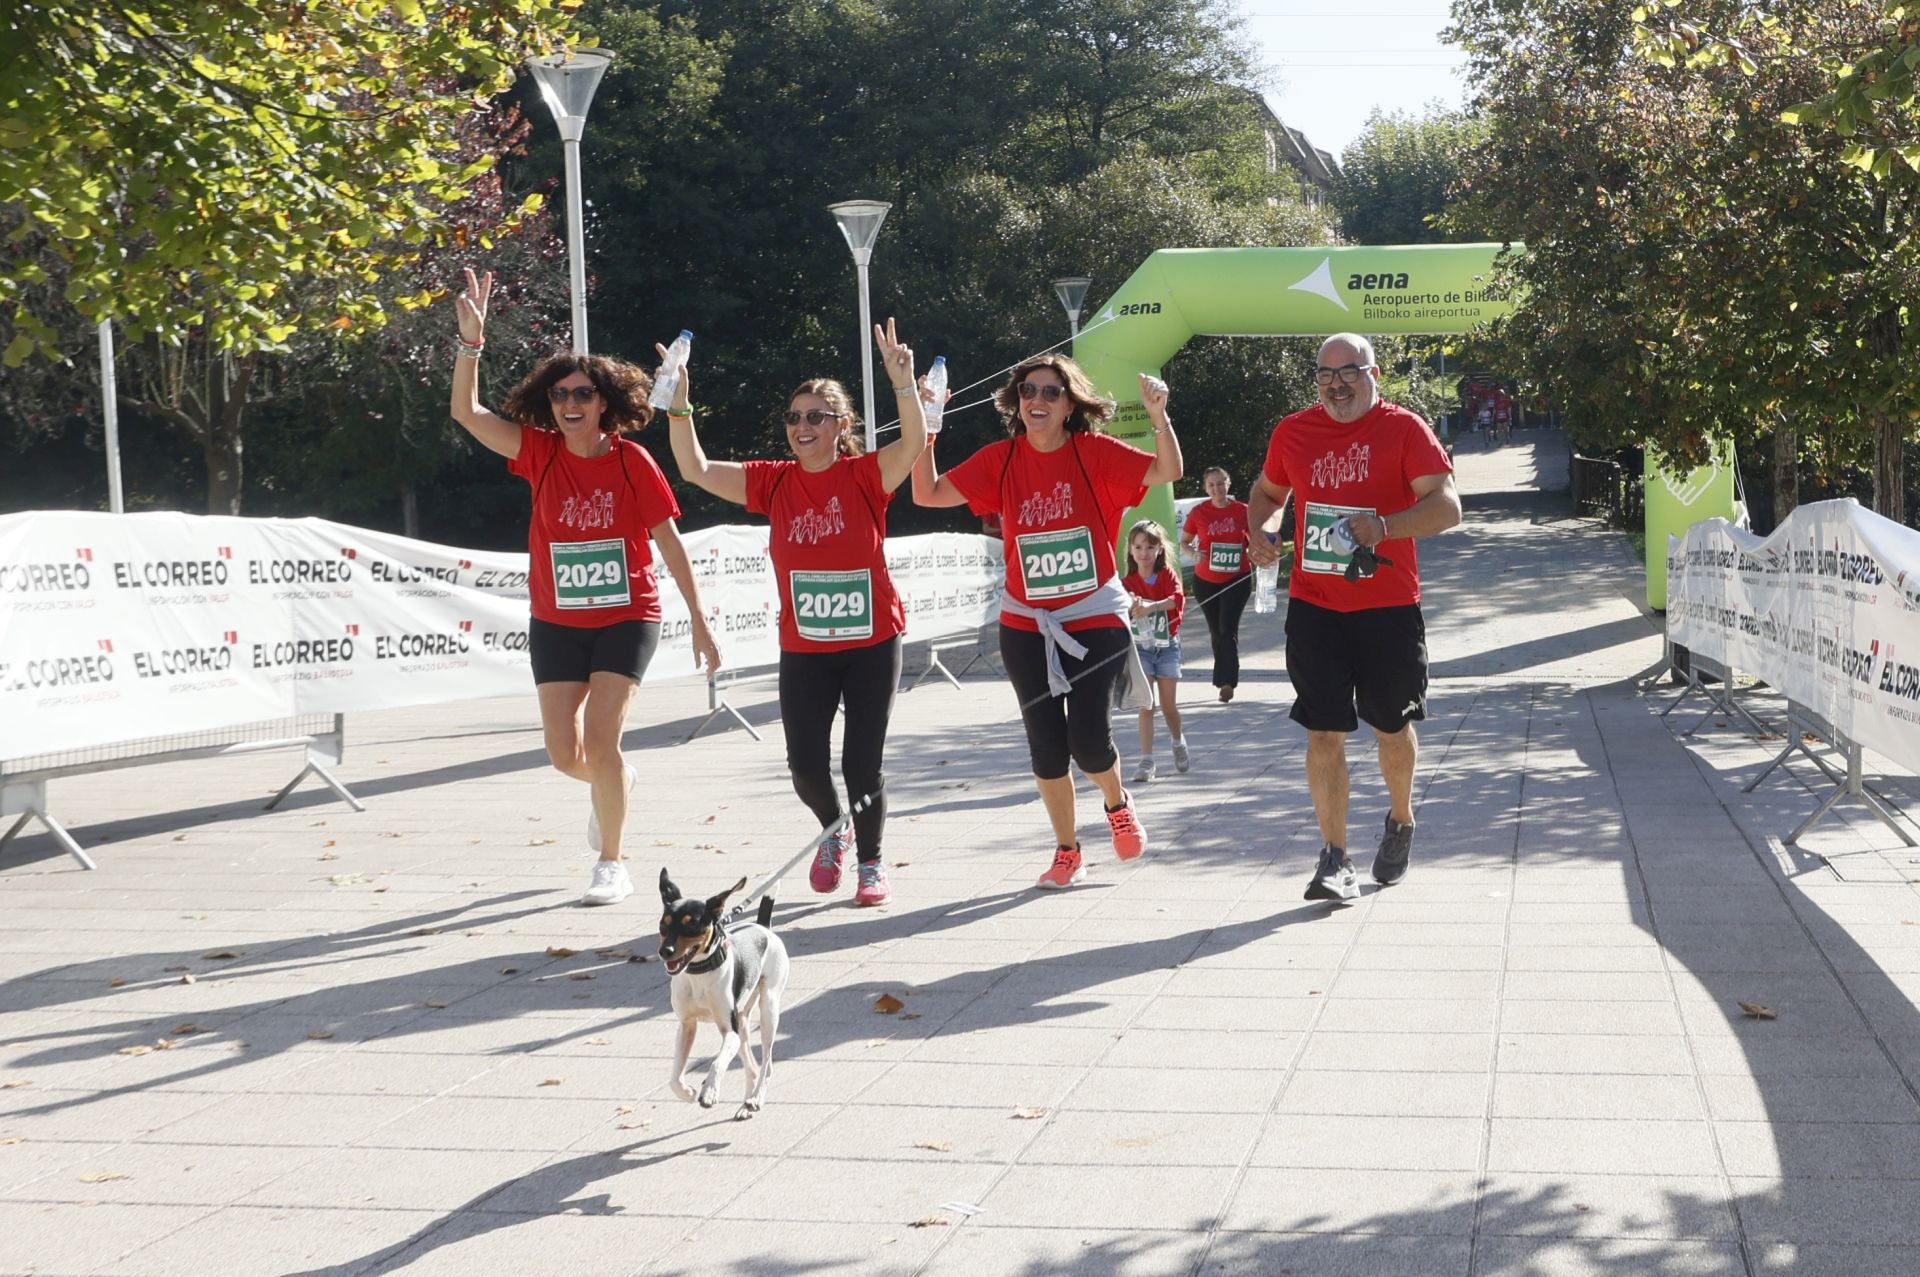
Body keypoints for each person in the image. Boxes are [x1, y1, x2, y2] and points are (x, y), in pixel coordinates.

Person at [449, 268, 721, 907]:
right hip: (558, 620)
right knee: (564, 754)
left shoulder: (633, 460)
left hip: (628, 616)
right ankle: (614, 783)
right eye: (560, 396)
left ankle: (610, 862)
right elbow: (466, 412)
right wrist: (471, 346)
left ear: (605, 402)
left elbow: (669, 544)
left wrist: (700, 621)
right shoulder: (539, 453)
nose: (570, 405)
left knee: (601, 740)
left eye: (583, 395)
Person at [666, 320, 927, 907]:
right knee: (806, 767)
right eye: (794, 417)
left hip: (870, 641)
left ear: (842, 427)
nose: (802, 426)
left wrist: (903, 385)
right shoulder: (774, 482)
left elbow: (912, 445)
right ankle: (835, 830)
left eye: (816, 416)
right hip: (806, 647)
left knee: (862, 763)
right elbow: (697, 471)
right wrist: (679, 407)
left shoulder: (864, 475)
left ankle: (871, 862)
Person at [913, 357, 1181, 889]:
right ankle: (1067, 851)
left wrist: (1159, 416)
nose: (1038, 399)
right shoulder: (1002, 459)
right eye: (1028, 390)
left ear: (1069, 405)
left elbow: (1166, 470)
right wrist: (928, 425)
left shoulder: (1092, 452)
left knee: (1087, 738)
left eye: (1051, 393)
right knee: (1045, 743)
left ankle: (1117, 803)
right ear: (1017, 401)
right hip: (1026, 620)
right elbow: (927, 493)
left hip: (1093, 614)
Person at [1247, 332, 1461, 901]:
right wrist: (1263, 532)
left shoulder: (1404, 428)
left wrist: (1385, 526)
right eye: (1325, 375)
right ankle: (1334, 858)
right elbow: (1267, 494)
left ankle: (1400, 818)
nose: (1336, 385)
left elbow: (1447, 506)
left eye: (1348, 372)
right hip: (1315, 607)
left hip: (1388, 608)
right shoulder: (1293, 431)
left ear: (1374, 373)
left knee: (1391, 726)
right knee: (1323, 730)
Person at [1180, 466, 1253, 702]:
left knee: (1227, 628)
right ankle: (1223, 678)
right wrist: (1193, 555)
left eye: (1220, 483)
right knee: (1216, 630)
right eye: (1211, 485)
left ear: (1228, 484)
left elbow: (1256, 538)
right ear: (1206, 488)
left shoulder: (1242, 511)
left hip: (1237, 578)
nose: (1217, 488)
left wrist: (1256, 550)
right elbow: (1185, 543)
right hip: (1206, 581)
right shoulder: (1198, 513)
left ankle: (1227, 682)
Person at [1122, 518, 1186, 783]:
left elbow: (1176, 600)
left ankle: (1177, 740)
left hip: (1167, 647)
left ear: (1160, 549)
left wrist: (1151, 606)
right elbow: (1120, 611)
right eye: (1138, 547)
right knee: (1146, 705)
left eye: (1150, 547)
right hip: (1141, 650)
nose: (1144, 553)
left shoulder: (1167, 575)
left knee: (1169, 707)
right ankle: (1147, 761)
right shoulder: (1127, 583)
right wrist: (1130, 608)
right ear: (1130, 550)